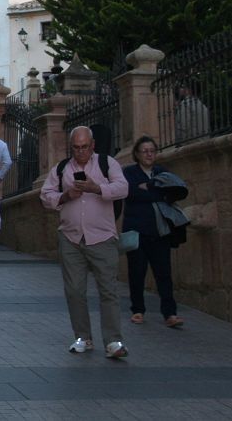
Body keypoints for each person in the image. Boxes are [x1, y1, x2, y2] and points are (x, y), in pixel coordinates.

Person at [40, 126, 130, 358]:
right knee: (74, 291)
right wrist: (65, 196)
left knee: (108, 290)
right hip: (71, 238)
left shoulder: (107, 164)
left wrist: (96, 188)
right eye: (76, 148)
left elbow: (123, 188)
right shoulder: (61, 169)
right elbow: (45, 195)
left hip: (102, 236)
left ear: (92, 146)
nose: (80, 152)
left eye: (84, 147)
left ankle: (113, 341)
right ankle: (82, 337)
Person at [122, 136, 184, 328]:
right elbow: (129, 193)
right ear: (137, 155)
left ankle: (170, 313)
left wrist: (148, 188)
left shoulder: (162, 172)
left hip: (159, 231)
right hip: (137, 231)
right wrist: (155, 192)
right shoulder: (129, 173)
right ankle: (138, 310)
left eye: (152, 151)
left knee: (164, 273)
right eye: (145, 151)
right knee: (137, 272)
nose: (149, 154)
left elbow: (174, 192)